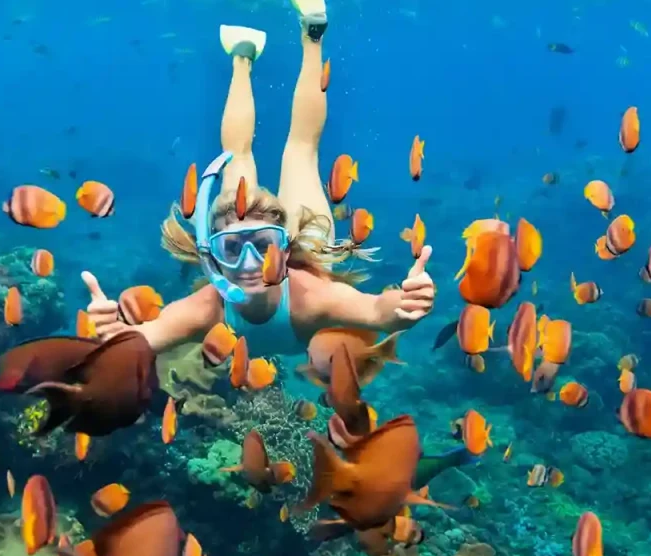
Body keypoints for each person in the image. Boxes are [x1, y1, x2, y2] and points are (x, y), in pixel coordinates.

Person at [81, 0, 436, 356]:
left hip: (307, 252)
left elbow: (378, 311)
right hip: (292, 242)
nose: (250, 263)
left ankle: (287, 42)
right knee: (293, 152)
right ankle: (264, 48)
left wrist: (406, 305)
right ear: (212, 257)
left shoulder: (311, 296)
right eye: (232, 249)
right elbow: (141, 341)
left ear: (284, 246)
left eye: (263, 245)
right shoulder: (207, 307)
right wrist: (114, 334)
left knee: (284, 151)